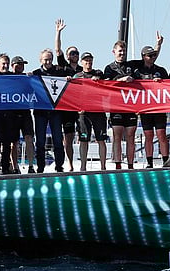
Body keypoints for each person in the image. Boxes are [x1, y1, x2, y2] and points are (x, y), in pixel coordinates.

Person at [128, 45, 169, 168]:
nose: (152, 58)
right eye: (149, 56)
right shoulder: (137, 71)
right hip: (145, 108)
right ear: (143, 57)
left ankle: (165, 161)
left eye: (154, 55)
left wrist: (161, 82)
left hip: (159, 106)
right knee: (148, 135)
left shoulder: (161, 70)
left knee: (161, 133)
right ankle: (150, 162)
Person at [31, 48, 68, 173]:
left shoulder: (59, 72)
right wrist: (28, 77)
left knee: (58, 140)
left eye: (50, 60)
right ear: (41, 60)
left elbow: (72, 76)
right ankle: (40, 167)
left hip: (55, 111)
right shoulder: (35, 74)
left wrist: (68, 78)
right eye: (46, 60)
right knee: (40, 142)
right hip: (40, 112)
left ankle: (59, 166)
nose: (48, 62)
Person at [103, 40, 137, 170]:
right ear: (114, 52)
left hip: (130, 105)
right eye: (120, 51)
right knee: (117, 135)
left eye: (124, 51)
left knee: (131, 135)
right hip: (116, 105)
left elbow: (150, 60)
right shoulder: (109, 68)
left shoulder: (132, 66)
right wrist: (121, 80)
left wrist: (158, 45)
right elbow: (106, 84)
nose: (122, 53)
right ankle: (118, 163)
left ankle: (130, 165)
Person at [55, 19, 82, 171]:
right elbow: (57, 50)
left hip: (80, 107)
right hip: (66, 107)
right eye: (72, 53)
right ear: (68, 55)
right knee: (68, 139)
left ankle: (80, 164)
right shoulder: (64, 66)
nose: (75, 55)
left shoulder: (81, 68)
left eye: (77, 53)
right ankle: (70, 163)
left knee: (80, 137)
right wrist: (58, 32)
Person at [73, 52, 107, 171]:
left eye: (90, 60)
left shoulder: (98, 73)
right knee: (83, 140)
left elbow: (106, 84)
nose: (88, 62)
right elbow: (72, 94)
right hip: (83, 112)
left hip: (98, 110)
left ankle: (103, 167)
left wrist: (98, 79)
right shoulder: (77, 76)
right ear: (81, 62)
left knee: (101, 139)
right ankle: (83, 167)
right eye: (86, 60)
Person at [10, 56, 35, 174]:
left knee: (29, 139)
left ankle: (31, 166)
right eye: (18, 64)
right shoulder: (7, 77)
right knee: (13, 142)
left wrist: (32, 77)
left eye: (22, 64)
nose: (20, 66)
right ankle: (15, 167)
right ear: (12, 65)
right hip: (12, 114)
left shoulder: (27, 78)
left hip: (25, 112)